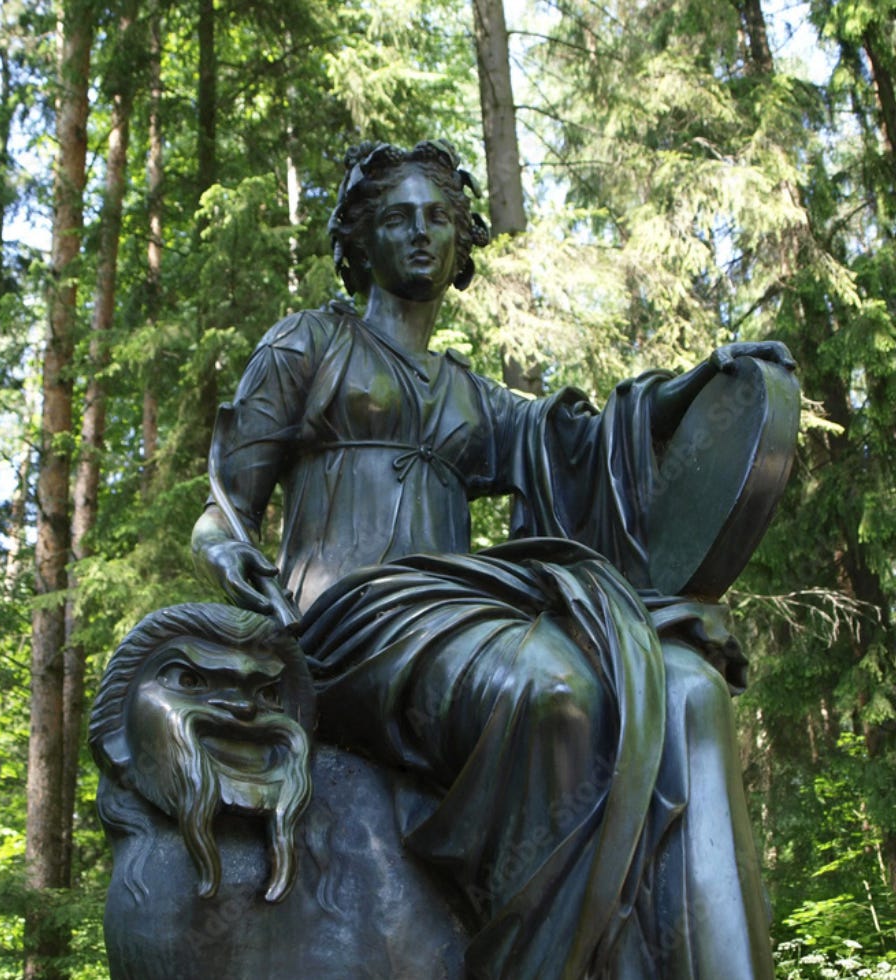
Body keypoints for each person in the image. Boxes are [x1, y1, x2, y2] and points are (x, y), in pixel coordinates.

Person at [192, 139, 793, 978]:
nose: (420, 234)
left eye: (438, 218)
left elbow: (579, 444)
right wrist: (232, 560)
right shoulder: (310, 345)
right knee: (557, 688)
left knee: (680, 685)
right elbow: (223, 512)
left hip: (460, 608)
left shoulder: (468, 393)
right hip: (352, 619)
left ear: (461, 240)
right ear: (358, 240)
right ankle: (545, 957)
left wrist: (692, 389)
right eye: (396, 219)